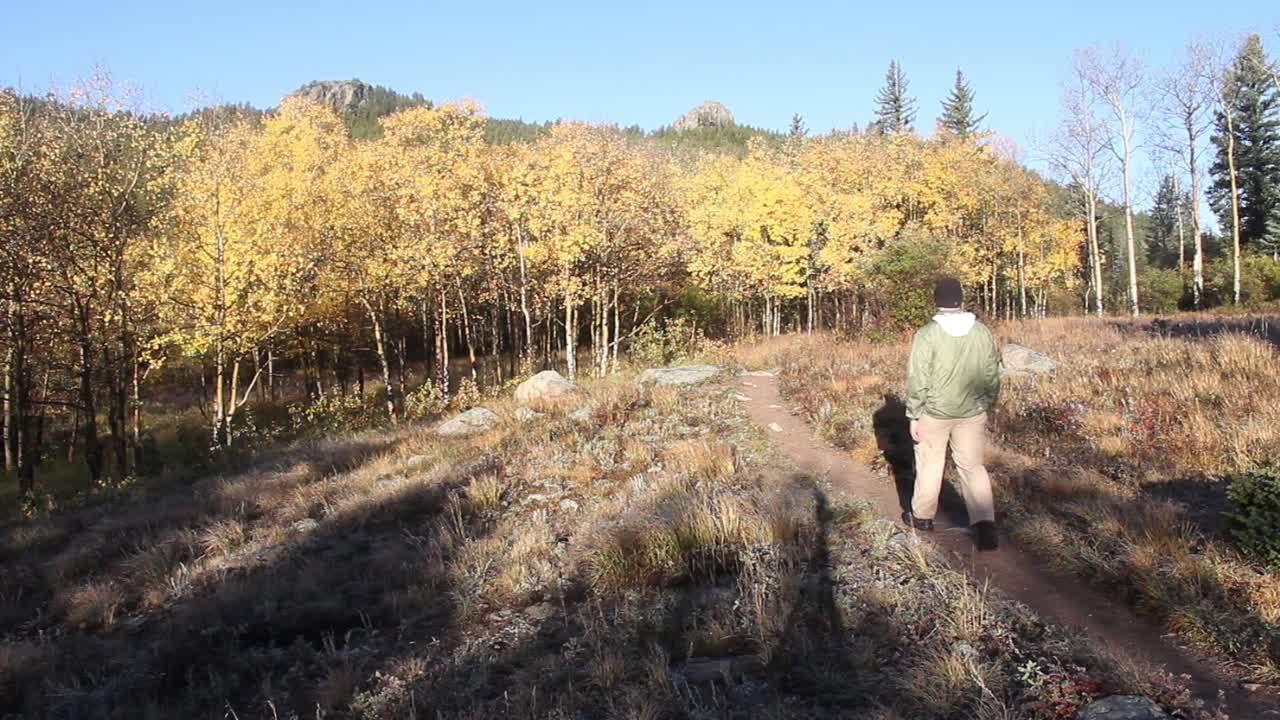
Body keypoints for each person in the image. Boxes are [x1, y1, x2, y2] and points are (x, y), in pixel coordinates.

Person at [903, 277, 1001, 551]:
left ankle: (922, 518)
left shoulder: (927, 334)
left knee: (930, 464)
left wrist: (914, 414)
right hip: (972, 412)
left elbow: (917, 377)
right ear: (961, 299)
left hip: (934, 413)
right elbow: (992, 373)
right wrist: (985, 403)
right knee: (972, 467)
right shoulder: (981, 332)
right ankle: (985, 526)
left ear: (937, 301)